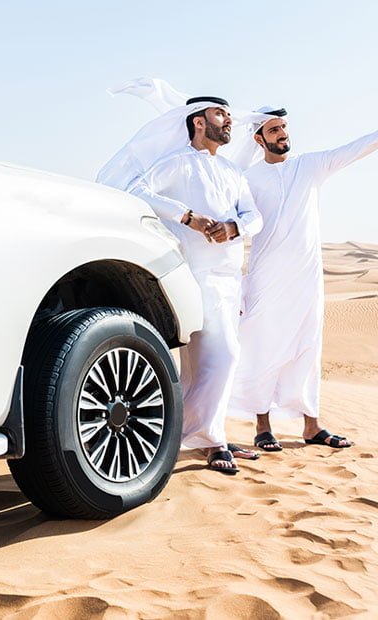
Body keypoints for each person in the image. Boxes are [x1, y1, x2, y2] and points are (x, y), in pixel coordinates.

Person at [230, 106, 378, 451]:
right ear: (258, 138)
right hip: (265, 276)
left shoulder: (310, 166)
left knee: (309, 347)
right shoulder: (247, 179)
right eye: (274, 130)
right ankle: (262, 427)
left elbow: (357, 148)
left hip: (307, 277)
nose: (282, 134)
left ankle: (312, 425)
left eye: (283, 127)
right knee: (263, 346)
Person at [103, 92, 263, 473]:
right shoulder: (175, 164)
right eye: (219, 114)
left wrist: (234, 227)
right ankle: (205, 438)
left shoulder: (232, 172)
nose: (227, 120)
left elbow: (254, 215)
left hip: (230, 277)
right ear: (198, 121)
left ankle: (204, 434)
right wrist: (186, 217)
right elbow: (135, 190)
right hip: (195, 275)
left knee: (207, 363)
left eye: (227, 114)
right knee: (222, 357)